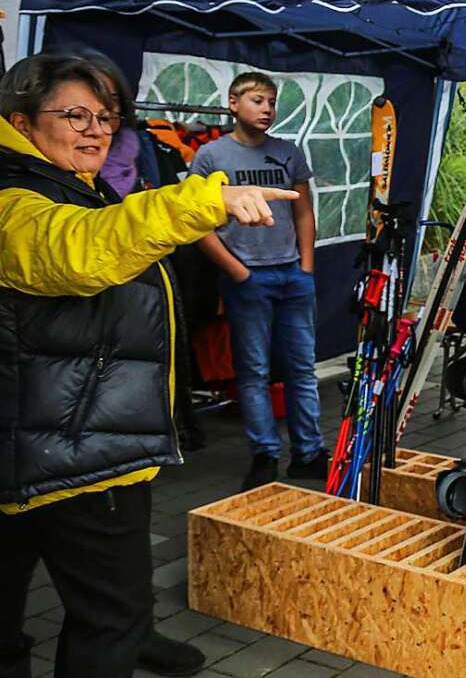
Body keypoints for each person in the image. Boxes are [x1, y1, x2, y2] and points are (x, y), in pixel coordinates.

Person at [0, 53, 296, 678]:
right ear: (22, 122)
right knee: (107, 618)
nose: (94, 129)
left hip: (50, 434)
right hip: (74, 450)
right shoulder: (14, 196)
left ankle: (138, 633)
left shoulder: (69, 180)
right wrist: (199, 202)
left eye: (104, 117)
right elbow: (76, 251)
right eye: (74, 114)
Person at [189, 71, 325, 491]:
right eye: (257, 101)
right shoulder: (211, 157)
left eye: (271, 102)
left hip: (292, 276)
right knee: (253, 370)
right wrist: (237, 270)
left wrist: (305, 265)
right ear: (233, 104)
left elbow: (303, 209)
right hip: (248, 279)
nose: (267, 109)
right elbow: (194, 222)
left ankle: (309, 453)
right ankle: (264, 454)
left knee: (303, 368)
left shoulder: (288, 152)